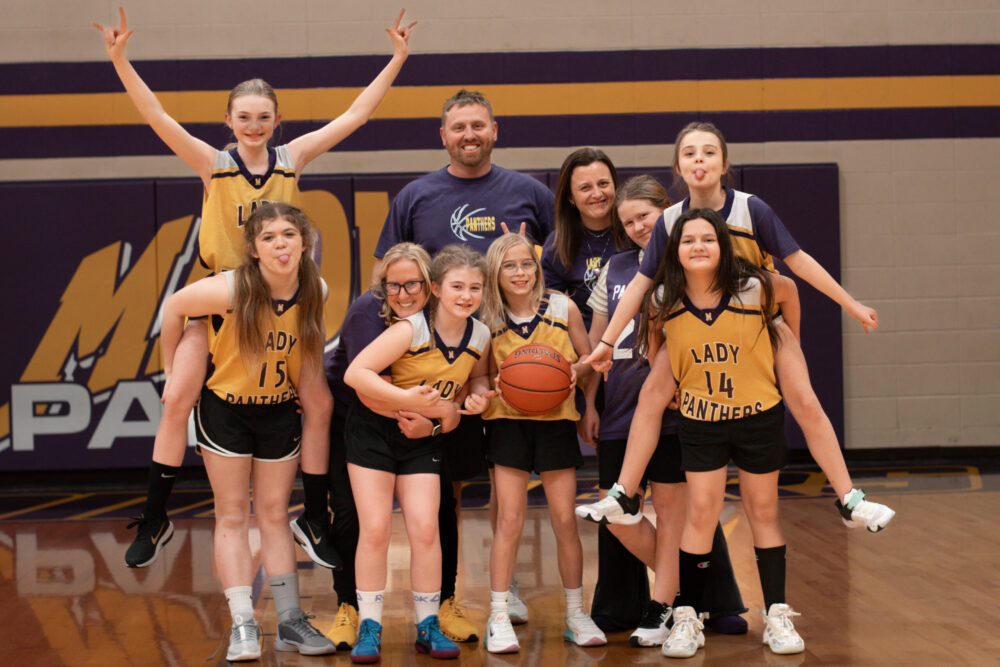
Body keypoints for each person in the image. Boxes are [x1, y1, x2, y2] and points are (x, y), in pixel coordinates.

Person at [94, 7, 415, 569]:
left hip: (286, 295)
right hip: (226, 292)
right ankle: (155, 516)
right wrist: (120, 59)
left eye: (263, 116)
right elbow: (156, 115)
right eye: (244, 116)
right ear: (229, 119)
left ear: (276, 119)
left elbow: (356, 116)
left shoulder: (292, 159)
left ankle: (313, 518)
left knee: (317, 400)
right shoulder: (212, 163)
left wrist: (396, 59)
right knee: (175, 397)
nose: (254, 125)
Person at [580, 122, 895, 532]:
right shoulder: (670, 220)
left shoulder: (752, 209)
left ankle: (850, 499)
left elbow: (796, 264)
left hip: (758, 325)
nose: (699, 160)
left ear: (724, 163)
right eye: (690, 153)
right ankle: (624, 493)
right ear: (677, 165)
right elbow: (642, 284)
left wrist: (849, 303)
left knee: (803, 399)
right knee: (652, 393)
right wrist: (605, 341)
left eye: (709, 152)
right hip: (697, 330)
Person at [373, 88, 555, 629]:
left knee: (506, 477)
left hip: (517, 357)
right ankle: (444, 594)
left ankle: (508, 583)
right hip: (440, 363)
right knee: (443, 484)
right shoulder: (415, 196)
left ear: (495, 130)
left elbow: (555, 270)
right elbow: (386, 277)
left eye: (478, 125)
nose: (469, 135)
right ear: (443, 136)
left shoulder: (529, 193)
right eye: (459, 127)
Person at [159, 203, 336, 660]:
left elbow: (306, 343)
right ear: (254, 250)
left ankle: (291, 621)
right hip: (227, 411)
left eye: (288, 235)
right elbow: (174, 307)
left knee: (275, 515)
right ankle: (242, 623)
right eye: (269, 237)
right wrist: (172, 371)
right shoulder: (231, 287)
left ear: (303, 241)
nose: (281, 244)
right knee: (233, 515)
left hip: (277, 411)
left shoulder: (315, 288)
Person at [624, 208, 803, 658]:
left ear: (723, 246)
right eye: (688, 240)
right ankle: (688, 617)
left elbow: (792, 291)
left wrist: (790, 345)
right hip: (702, 418)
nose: (698, 246)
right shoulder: (664, 296)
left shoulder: (756, 287)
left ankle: (777, 614)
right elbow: (654, 338)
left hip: (757, 414)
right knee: (701, 514)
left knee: (764, 510)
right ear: (674, 251)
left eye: (708, 238)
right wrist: (670, 384)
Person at [583, 175, 748, 646]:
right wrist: (589, 402)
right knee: (619, 516)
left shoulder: (688, 265)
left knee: (681, 514)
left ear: (667, 211)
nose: (637, 226)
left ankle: (674, 606)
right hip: (618, 413)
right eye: (628, 220)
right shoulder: (614, 269)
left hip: (679, 413)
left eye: (645, 217)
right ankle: (690, 599)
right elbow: (600, 343)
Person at [343, 245, 494, 663]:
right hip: (373, 433)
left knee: (426, 528)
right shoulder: (411, 329)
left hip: (422, 438)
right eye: (457, 287)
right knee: (374, 529)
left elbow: (476, 378)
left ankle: (427, 624)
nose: (466, 295)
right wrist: (407, 399)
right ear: (436, 290)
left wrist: (478, 399)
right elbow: (356, 373)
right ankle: (369, 625)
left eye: (475, 288)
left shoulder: (479, 335)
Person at [478, 234, 606, 654]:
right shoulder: (486, 316)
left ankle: (575, 612)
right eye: (509, 266)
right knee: (509, 521)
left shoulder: (563, 306)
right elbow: (478, 374)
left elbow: (589, 360)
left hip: (555, 424)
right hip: (507, 426)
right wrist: (490, 384)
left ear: (537, 267)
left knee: (565, 521)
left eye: (526, 264)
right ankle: (498, 613)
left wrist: (576, 378)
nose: (520, 273)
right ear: (495, 272)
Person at [539, 147, 649, 631]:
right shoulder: (558, 248)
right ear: (570, 196)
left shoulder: (642, 232)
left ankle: (710, 596)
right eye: (584, 186)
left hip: (649, 371)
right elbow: (548, 323)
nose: (597, 193)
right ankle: (619, 603)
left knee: (680, 492)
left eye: (604, 182)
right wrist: (584, 395)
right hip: (596, 378)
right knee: (614, 493)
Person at [322, 242, 436, 649]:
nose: (403, 294)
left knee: (434, 518)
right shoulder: (367, 312)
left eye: (413, 284)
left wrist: (436, 420)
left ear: (431, 284)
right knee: (355, 518)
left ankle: (441, 609)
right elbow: (372, 391)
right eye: (394, 285)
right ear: (382, 285)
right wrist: (425, 417)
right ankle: (350, 609)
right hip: (352, 414)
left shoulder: (445, 314)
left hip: (415, 417)